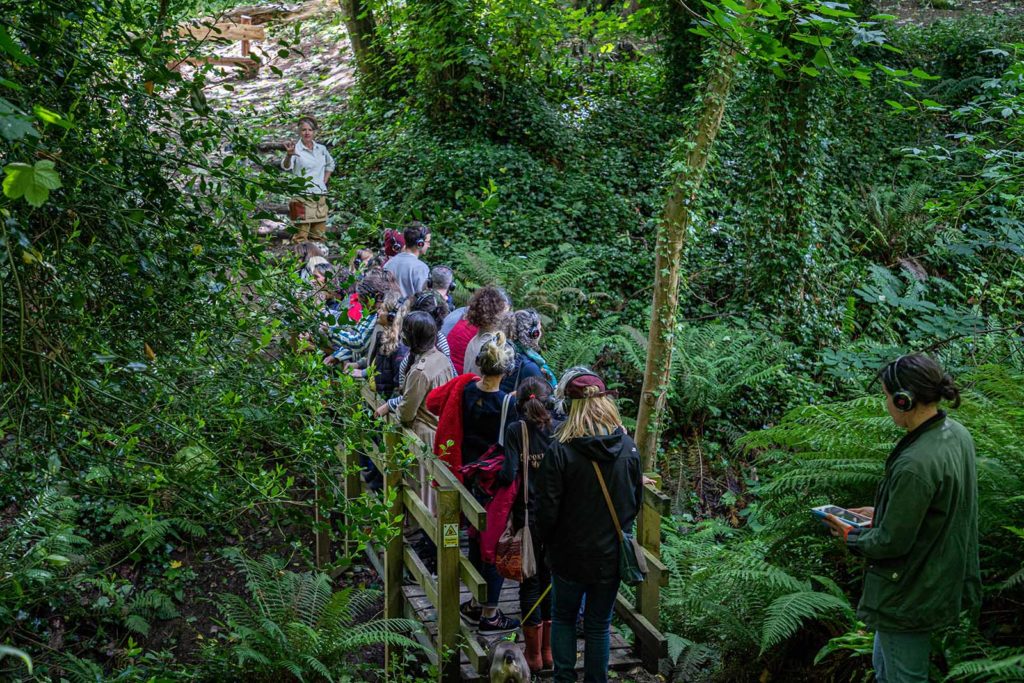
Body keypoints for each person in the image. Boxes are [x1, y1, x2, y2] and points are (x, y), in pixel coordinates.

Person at [823, 354, 980, 683]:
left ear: (903, 400)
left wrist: (851, 535)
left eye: (886, 396)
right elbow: (939, 508)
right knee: (886, 670)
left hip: (909, 592)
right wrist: (882, 513)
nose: (885, 404)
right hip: (936, 578)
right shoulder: (955, 434)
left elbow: (891, 542)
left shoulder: (915, 464)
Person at [536, 369, 642, 683]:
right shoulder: (627, 448)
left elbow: (547, 509)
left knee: (564, 619)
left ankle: (564, 679)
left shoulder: (561, 450)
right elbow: (633, 502)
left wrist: (547, 543)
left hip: (568, 554)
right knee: (598, 625)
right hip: (609, 554)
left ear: (571, 407)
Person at [426, 334, 520, 634]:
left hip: (465, 476)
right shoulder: (509, 402)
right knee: (493, 543)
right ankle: (490, 613)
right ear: (506, 370)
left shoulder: (464, 387)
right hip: (495, 485)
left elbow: (432, 402)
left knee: (476, 539)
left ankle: (475, 603)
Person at [502, 377, 561, 673]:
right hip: (558, 518)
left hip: (528, 518)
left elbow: (508, 472)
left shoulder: (516, 430)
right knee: (550, 580)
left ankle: (534, 655)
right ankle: (549, 652)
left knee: (530, 581)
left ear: (519, 404)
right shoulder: (557, 428)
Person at [324, 268, 398, 367]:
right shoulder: (372, 312)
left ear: (376, 297)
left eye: (364, 302)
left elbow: (359, 342)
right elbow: (358, 335)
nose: (363, 307)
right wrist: (338, 356)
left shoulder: (381, 314)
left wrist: (330, 331)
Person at [281, 116, 335, 244]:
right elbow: (286, 166)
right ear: (299, 132)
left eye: (310, 130)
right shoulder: (296, 149)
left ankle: (318, 262)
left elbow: (330, 165)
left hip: (319, 195)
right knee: (300, 236)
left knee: (319, 235)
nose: (307, 133)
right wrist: (289, 155)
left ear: (314, 132)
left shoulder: (321, 149)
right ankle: (301, 262)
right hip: (301, 196)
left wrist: (324, 181)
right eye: (304, 130)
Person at [461, 286, 512, 375]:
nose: (509, 317)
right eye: (506, 313)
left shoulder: (474, 340)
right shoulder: (490, 347)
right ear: (495, 314)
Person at [508, 309, 558, 389]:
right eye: (539, 329)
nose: (540, 333)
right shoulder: (530, 366)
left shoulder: (508, 351)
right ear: (534, 333)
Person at [383, 222, 431, 298]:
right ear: (420, 243)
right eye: (428, 242)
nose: (429, 245)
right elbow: (424, 298)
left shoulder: (388, 264)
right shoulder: (420, 268)